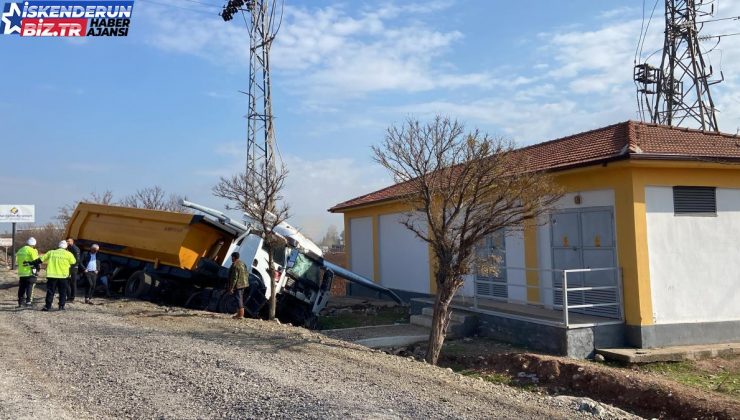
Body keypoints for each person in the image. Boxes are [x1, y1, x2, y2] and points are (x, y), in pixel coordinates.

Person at [40, 240, 77, 311]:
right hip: (63, 277)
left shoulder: (51, 252)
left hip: (52, 276)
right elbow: (74, 262)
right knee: (63, 292)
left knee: (50, 292)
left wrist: (32, 263)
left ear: (58, 246)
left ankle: (47, 306)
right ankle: (61, 306)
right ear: (66, 247)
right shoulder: (68, 254)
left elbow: (41, 259)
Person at [15, 237, 39, 307]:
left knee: (22, 287)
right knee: (30, 287)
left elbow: (17, 261)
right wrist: (38, 269)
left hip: (22, 273)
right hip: (30, 272)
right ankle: (28, 302)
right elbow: (36, 261)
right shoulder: (32, 250)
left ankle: (20, 302)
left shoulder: (20, 250)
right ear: (34, 244)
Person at [227, 251, 248, 319]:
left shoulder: (235, 265)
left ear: (233, 257)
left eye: (232, 257)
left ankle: (240, 315)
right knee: (240, 298)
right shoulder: (242, 263)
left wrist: (231, 288)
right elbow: (246, 273)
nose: (231, 259)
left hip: (239, 284)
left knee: (238, 298)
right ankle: (238, 314)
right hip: (244, 283)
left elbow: (234, 278)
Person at [65, 238, 81, 302]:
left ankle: (72, 297)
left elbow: (77, 260)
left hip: (73, 268)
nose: (67, 242)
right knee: (68, 282)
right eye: (67, 241)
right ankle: (69, 296)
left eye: (69, 241)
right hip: (69, 267)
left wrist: (71, 267)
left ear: (72, 242)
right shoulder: (69, 248)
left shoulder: (75, 248)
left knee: (73, 283)